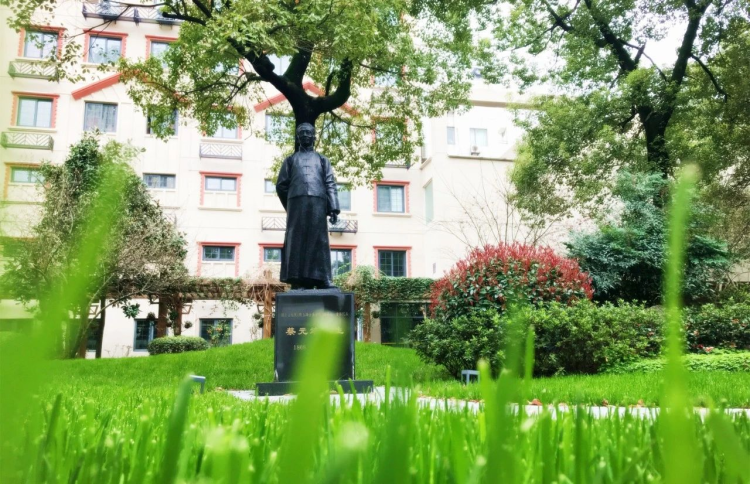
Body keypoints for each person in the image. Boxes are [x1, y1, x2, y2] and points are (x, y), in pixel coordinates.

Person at [275, 123, 340, 289]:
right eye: (302, 133)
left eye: (308, 133)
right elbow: (281, 185)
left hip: (318, 202)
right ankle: (298, 280)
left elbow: (330, 183)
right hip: (296, 203)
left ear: (314, 136)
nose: (305, 135)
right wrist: (291, 204)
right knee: (297, 240)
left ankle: (323, 279)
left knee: (319, 239)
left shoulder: (322, 160)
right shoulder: (290, 160)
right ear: (298, 137)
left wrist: (333, 207)